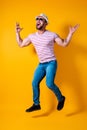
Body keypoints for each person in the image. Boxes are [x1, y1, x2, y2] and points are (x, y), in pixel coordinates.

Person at [16, 13, 79, 112]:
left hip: (51, 63)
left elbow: (64, 44)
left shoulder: (52, 35)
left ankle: (61, 98)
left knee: (49, 84)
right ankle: (36, 104)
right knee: (34, 83)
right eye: (37, 19)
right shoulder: (32, 36)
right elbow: (20, 44)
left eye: (41, 19)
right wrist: (17, 33)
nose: (38, 21)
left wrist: (70, 33)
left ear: (46, 23)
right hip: (41, 64)